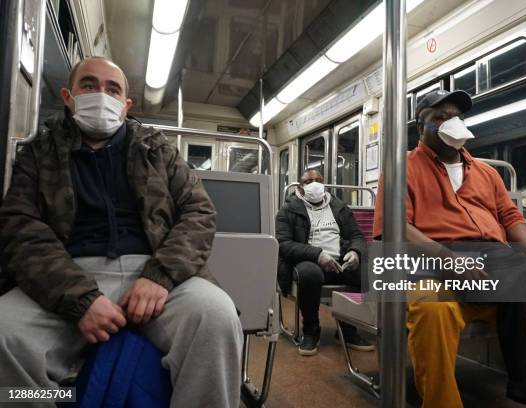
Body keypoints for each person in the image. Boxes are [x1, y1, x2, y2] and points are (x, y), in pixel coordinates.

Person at [0, 57, 243, 408]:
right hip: (68, 272)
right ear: (68, 97)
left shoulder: (157, 149)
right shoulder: (40, 153)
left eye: (112, 89)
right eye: (89, 85)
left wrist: (160, 276)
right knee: (4, 331)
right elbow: (20, 227)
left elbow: (199, 212)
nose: (101, 94)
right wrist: (80, 297)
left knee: (216, 317)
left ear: (126, 105)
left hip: (152, 271)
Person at [373, 89, 526, 407]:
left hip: (499, 270)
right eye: (440, 118)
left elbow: (512, 219)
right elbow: (395, 227)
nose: (450, 122)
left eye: (456, 116)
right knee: (432, 310)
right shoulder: (401, 169)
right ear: (421, 129)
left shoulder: (487, 174)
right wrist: (450, 260)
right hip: (436, 265)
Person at [276, 169, 374, 355]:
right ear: (300, 186)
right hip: (307, 260)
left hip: (339, 259)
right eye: (308, 181)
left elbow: (357, 236)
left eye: (318, 180)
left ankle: (347, 327)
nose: (314, 183)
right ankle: (311, 329)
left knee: (365, 272)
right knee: (309, 275)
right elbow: (284, 245)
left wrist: (354, 252)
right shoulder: (288, 209)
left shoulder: (338, 206)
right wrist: (318, 255)